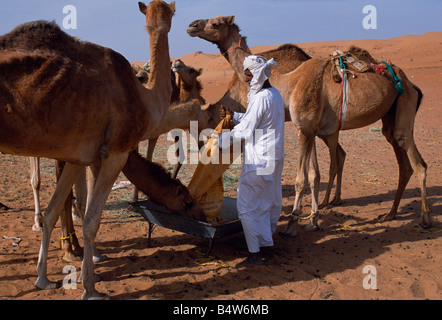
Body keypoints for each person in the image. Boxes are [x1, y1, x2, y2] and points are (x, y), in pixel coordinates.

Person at [219, 55, 285, 267]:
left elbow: (247, 129)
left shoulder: (260, 98)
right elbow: (256, 118)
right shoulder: (274, 95)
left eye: (248, 74)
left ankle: (254, 254)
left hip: (259, 160)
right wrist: (235, 115)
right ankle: (267, 245)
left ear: (257, 73)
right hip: (273, 158)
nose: (246, 78)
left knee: (246, 205)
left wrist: (220, 141)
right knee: (265, 203)